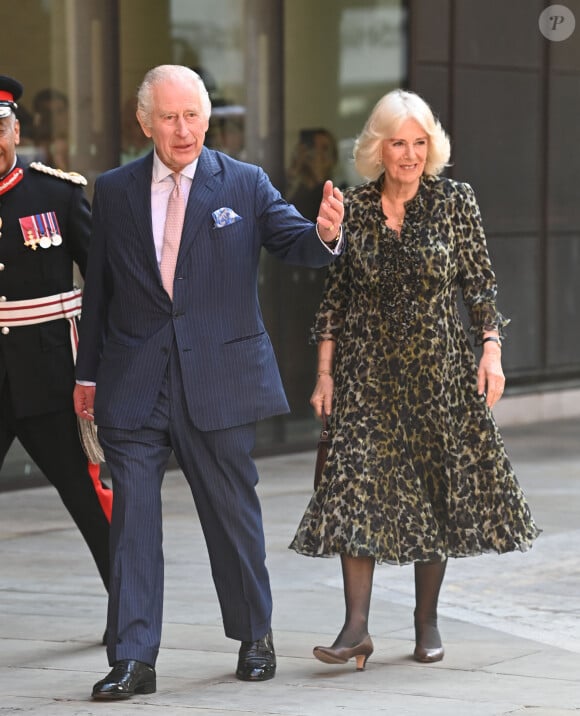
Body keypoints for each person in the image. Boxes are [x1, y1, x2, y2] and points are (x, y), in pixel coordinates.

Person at [73, 64, 344, 700]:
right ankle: (133, 658)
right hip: (136, 380)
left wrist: (326, 235)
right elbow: (100, 292)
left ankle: (255, 634)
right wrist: (87, 376)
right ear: (145, 123)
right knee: (132, 520)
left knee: (230, 515)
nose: (183, 128)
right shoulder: (113, 190)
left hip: (219, 377)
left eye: (192, 115)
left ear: (207, 119)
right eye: (168, 117)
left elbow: (294, 241)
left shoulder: (244, 183)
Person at [290, 89, 540, 671]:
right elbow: (336, 297)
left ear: (432, 147)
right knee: (355, 487)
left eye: (419, 143)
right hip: (366, 373)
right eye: (397, 143)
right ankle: (356, 629)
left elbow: (479, 283)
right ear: (378, 148)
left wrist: (491, 350)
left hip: (439, 372)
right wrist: (324, 372)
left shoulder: (456, 201)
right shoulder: (352, 204)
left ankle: (425, 621)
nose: (408, 154)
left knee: (435, 491)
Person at [0, 75, 111, 615]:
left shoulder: (57, 194)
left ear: (16, 129)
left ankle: (128, 616)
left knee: (89, 500)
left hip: (50, 378)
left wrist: (98, 368)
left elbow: (102, 286)